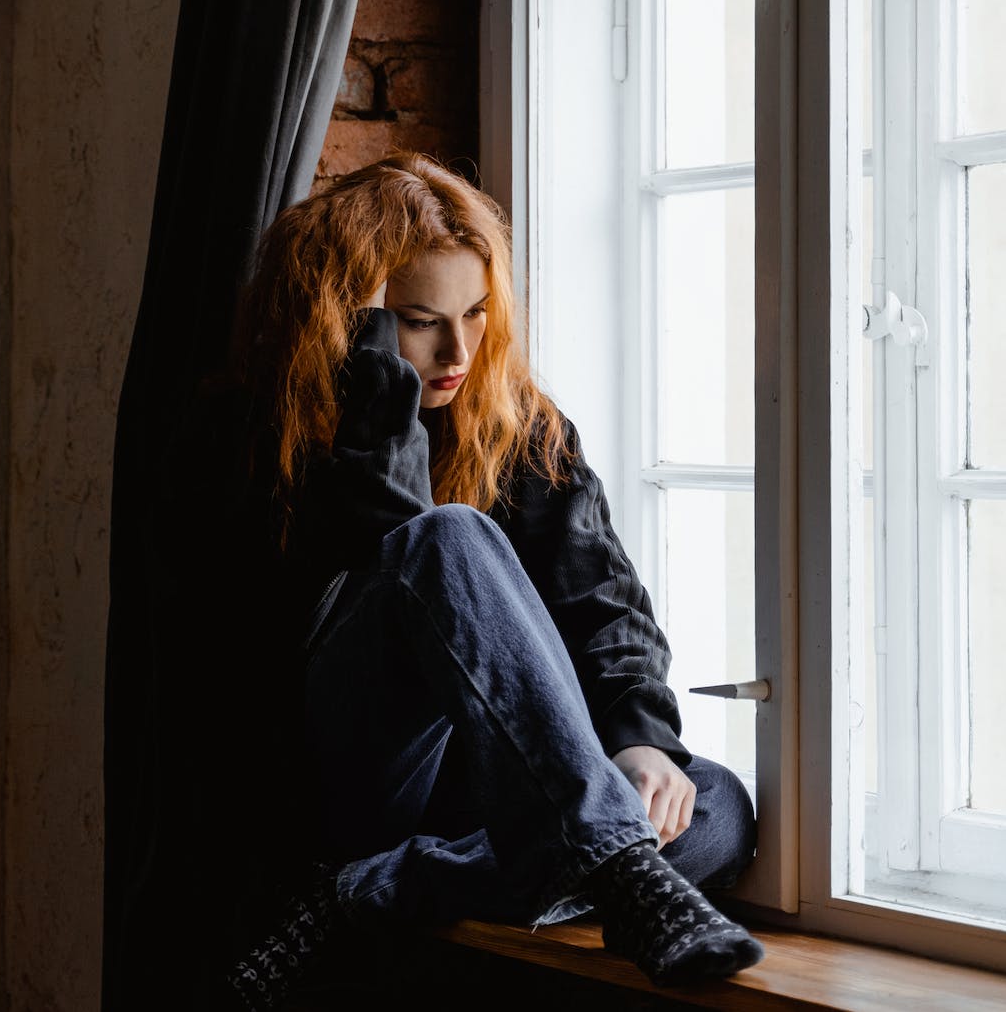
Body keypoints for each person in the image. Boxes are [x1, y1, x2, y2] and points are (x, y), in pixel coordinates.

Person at [213, 153, 763, 1006]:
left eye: (476, 313)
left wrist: (640, 738)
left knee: (716, 806)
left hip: (492, 800)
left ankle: (372, 890)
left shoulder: (520, 423)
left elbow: (603, 603)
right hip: (355, 777)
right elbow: (385, 564)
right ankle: (594, 861)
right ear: (347, 320)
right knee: (446, 536)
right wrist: (376, 394)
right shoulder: (271, 433)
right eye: (420, 320)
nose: (459, 350)